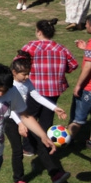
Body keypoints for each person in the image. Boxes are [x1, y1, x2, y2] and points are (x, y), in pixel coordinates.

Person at [5, 52, 70, 183]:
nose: (27, 77)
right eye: (24, 74)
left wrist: (54, 108)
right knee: (17, 150)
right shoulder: (9, 85)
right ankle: (19, 180)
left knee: (40, 143)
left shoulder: (26, 82)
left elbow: (36, 96)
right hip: (11, 120)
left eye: (28, 74)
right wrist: (20, 123)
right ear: (14, 72)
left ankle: (55, 174)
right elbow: (9, 108)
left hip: (25, 118)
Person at [20, 18, 78, 156]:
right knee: (47, 118)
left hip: (34, 89)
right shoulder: (61, 48)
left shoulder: (30, 47)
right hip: (53, 90)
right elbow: (73, 65)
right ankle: (45, 146)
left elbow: (19, 63)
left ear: (39, 32)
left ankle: (29, 148)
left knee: (30, 117)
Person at [68, 17, 91, 148]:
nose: (86, 26)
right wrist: (85, 49)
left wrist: (78, 85)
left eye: (87, 24)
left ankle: (65, 141)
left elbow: (88, 66)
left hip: (88, 89)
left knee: (78, 119)